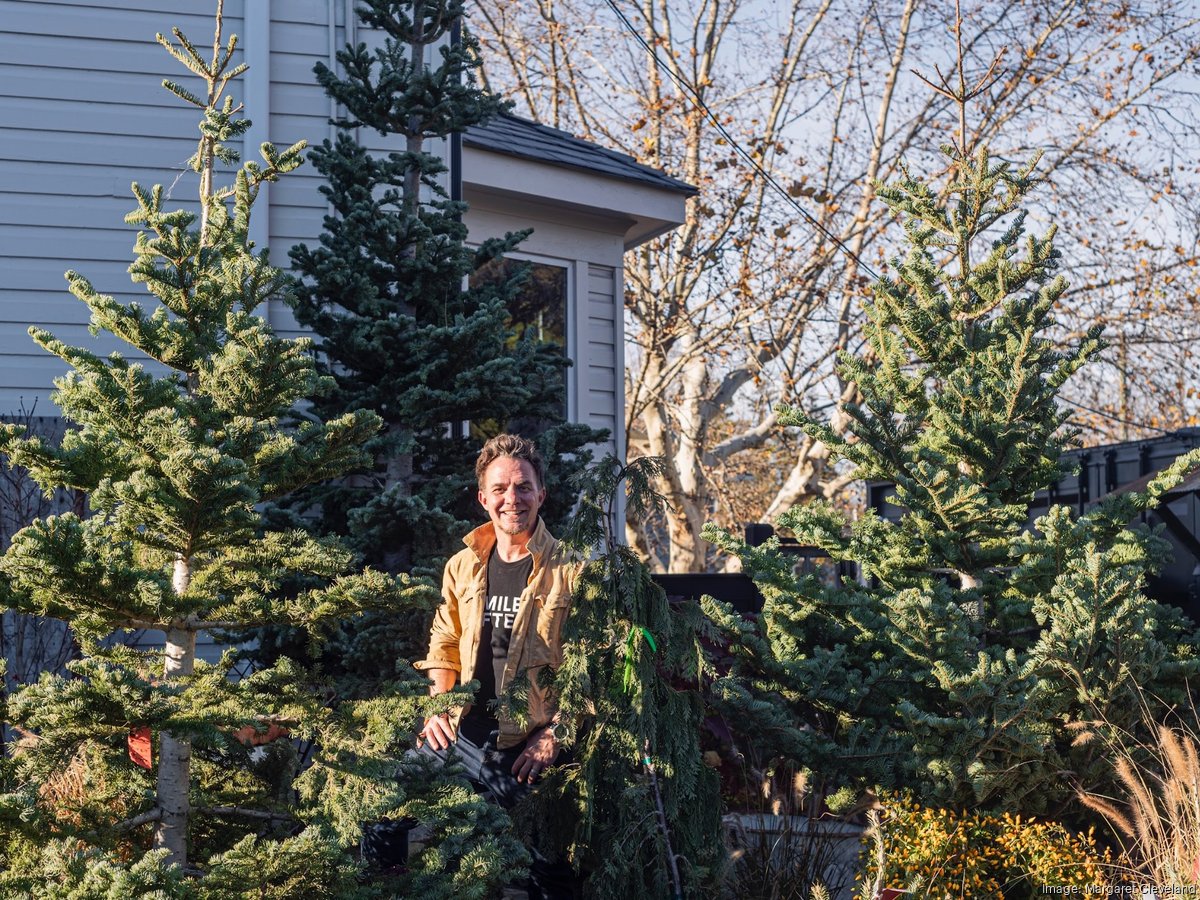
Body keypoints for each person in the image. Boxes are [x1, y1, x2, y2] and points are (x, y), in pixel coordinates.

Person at [413, 433, 578, 897]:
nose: (513, 499)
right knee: (383, 810)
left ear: (542, 494)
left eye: (524, 487)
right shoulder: (461, 566)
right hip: (461, 731)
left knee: (551, 869)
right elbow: (445, 641)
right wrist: (438, 706)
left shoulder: (572, 572)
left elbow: (593, 669)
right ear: (483, 498)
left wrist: (556, 734)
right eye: (500, 488)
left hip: (529, 746)